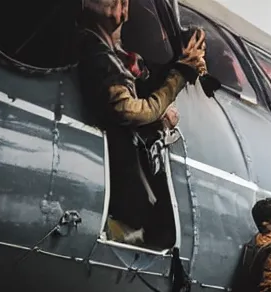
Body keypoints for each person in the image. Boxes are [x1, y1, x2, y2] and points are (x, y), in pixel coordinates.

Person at [77, 0, 207, 245]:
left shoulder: (109, 52)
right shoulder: (96, 52)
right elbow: (130, 111)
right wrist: (178, 76)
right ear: (120, 10)